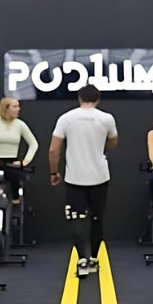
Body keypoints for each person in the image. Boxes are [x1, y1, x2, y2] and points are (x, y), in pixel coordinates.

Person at [48, 84, 118, 279]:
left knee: (77, 218)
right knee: (97, 218)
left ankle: (82, 261)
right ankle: (95, 259)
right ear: (98, 99)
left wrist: (54, 172)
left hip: (74, 177)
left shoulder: (66, 118)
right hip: (99, 176)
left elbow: (54, 150)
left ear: (79, 98)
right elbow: (113, 141)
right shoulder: (106, 118)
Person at [0, 96, 39, 197]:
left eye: (18, 106)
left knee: (15, 184)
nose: (19, 109)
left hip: (12, 163)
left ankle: (16, 202)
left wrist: (25, 161)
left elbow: (33, 144)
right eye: (15, 106)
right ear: (6, 108)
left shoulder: (20, 124)